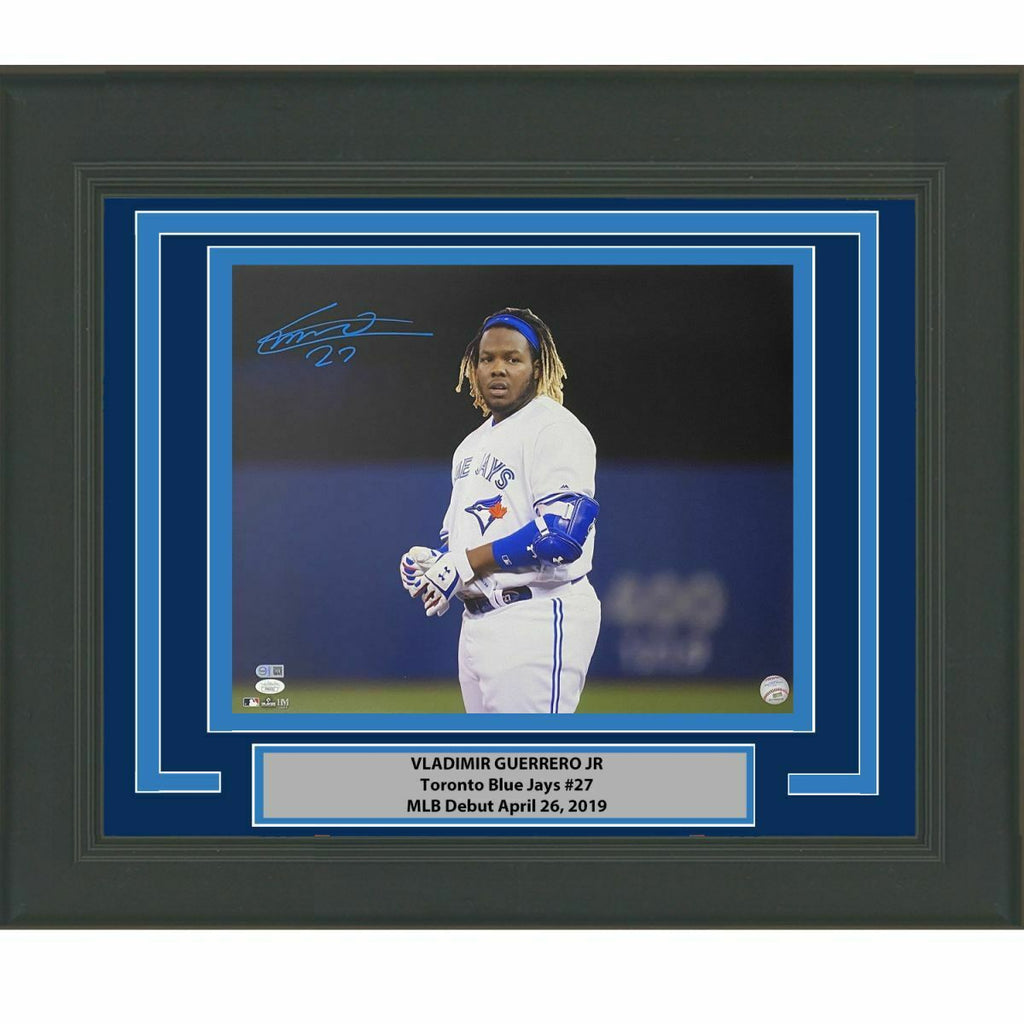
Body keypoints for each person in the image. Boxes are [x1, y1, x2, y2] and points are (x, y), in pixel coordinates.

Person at [400, 307, 601, 713]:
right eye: (487, 358)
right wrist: (438, 565)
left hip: (537, 617)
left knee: (526, 753)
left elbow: (561, 536)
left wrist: (463, 563)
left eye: (513, 359)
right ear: (472, 367)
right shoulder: (470, 446)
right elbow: (471, 543)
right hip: (477, 624)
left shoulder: (554, 428)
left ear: (537, 368)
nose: (498, 369)